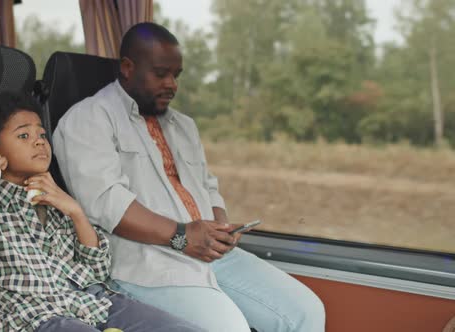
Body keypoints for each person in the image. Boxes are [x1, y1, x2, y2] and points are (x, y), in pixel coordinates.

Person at [53, 22, 326, 332]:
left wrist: (221, 229)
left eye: (176, 75)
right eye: (160, 74)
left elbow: (208, 187)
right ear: (128, 68)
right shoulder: (87, 119)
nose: (172, 84)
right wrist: (183, 235)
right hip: (145, 264)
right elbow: (105, 204)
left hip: (208, 253)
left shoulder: (183, 125)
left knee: (307, 311)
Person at [0, 92, 203, 332]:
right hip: (34, 318)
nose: (39, 142)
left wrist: (75, 212)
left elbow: (98, 271)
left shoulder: (56, 201)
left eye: (42, 135)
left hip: (95, 304)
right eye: (24, 136)